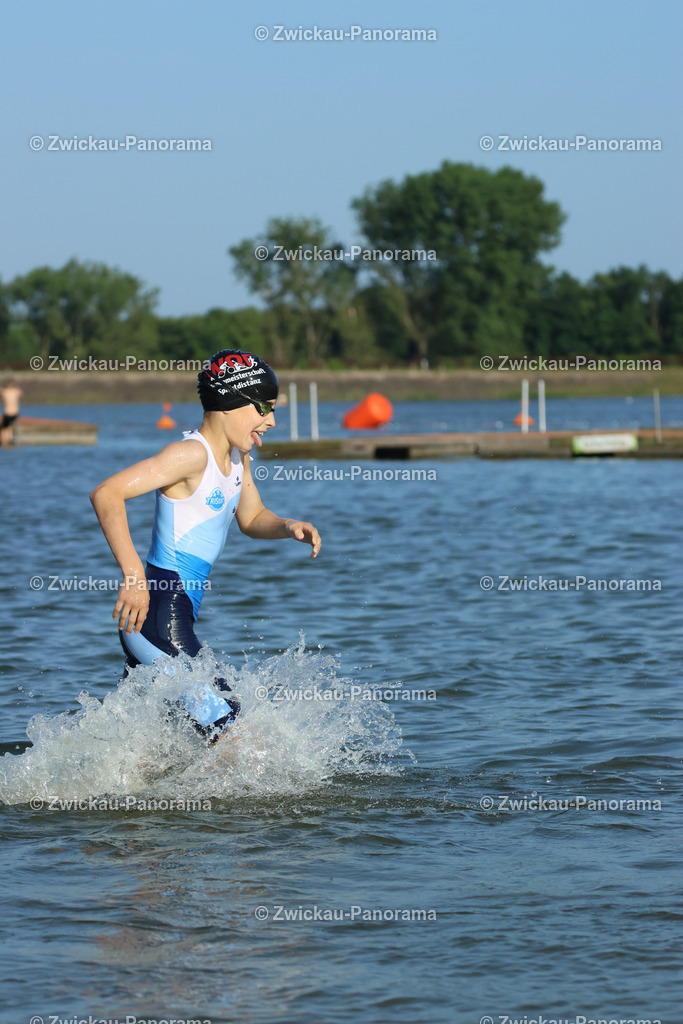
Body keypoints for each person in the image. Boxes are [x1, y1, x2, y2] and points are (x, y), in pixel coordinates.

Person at [90, 349, 321, 742]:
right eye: (264, 407)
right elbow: (107, 493)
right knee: (233, 729)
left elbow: (251, 517)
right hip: (156, 620)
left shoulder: (236, 459)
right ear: (231, 403)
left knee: (156, 747)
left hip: (176, 618)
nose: (272, 420)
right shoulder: (189, 455)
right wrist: (132, 575)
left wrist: (287, 526)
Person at [1, 378, 23, 448]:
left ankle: (5, 443)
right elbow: (21, 393)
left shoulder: (5, 392)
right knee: (10, 426)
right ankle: (10, 438)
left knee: (3, 429)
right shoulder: (16, 391)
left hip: (8, 413)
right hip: (15, 413)